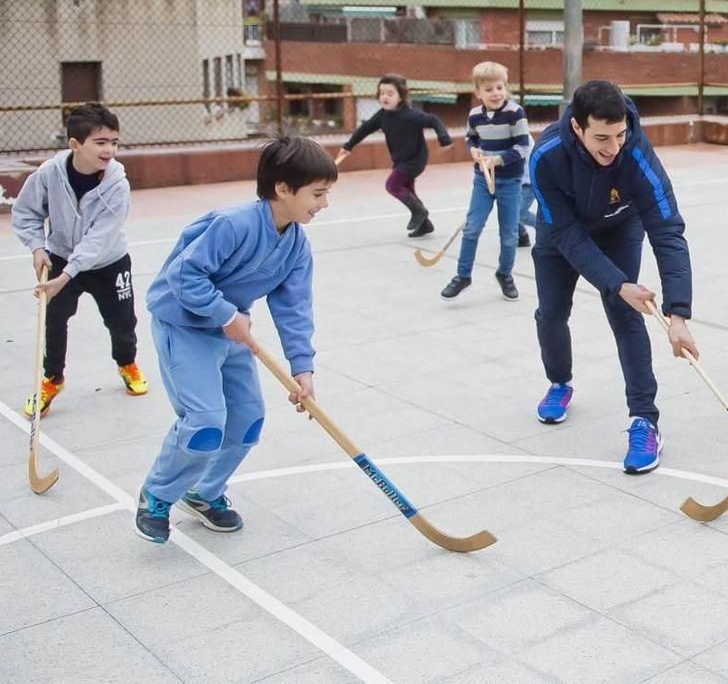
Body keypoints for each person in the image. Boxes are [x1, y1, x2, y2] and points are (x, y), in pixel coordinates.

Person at [134, 137, 337, 544]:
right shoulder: (233, 224)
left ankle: (204, 493)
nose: (324, 203)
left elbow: (294, 308)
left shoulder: (296, 245)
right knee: (205, 422)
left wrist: (303, 367)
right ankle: (157, 496)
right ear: (282, 188)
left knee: (246, 420)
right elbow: (183, 276)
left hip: (232, 330)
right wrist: (225, 314)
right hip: (185, 327)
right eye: (317, 193)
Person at [528, 80, 697, 474]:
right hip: (561, 235)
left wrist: (678, 315)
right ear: (577, 127)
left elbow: (667, 228)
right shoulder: (546, 156)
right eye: (601, 137)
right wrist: (616, 283)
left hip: (620, 226)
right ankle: (559, 383)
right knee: (551, 313)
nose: (612, 147)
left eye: (619, 134)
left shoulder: (635, 150)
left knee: (625, 316)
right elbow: (567, 235)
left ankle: (644, 419)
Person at [12, 102, 148, 417]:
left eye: (114, 142)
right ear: (75, 145)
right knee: (54, 320)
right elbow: (26, 212)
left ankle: (127, 363)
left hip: (108, 262)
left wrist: (67, 275)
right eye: (100, 142)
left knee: (122, 321)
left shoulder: (117, 184)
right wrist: (37, 247)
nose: (110, 150)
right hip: (60, 257)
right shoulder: (48, 174)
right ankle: (52, 378)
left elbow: (100, 238)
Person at [441, 61, 531, 302]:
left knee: (509, 234)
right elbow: (471, 138)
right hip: (482, 179)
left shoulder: (515, 113)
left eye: (499, 87)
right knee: (472, 227)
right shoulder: (475, 116)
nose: (495, 93)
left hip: (510, 181)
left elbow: (523, 146)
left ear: (506, 87)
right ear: (478, 92)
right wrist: (474, 151)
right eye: (489, 89)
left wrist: (498, 160)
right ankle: (463, 275)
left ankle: (505, 274)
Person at [336, 74, 451, 237]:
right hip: (400, 160)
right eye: (382, 93)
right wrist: (348, 146)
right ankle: (425, 224)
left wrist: (443, 138)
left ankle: (420, 212)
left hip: (415, 159)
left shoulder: (410, 115)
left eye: (390, 93)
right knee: (408, 190)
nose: (385, 97)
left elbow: (433, 120)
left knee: (393, 185)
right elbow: (365, 128)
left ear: (401, 96)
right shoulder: (382, 115)